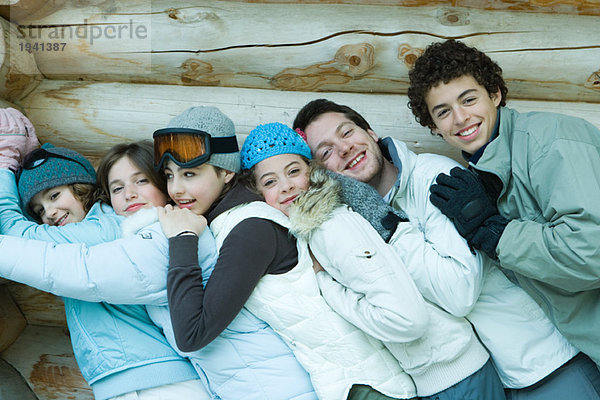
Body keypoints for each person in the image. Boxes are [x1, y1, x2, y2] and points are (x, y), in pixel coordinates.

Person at [0, 106, 317, 400]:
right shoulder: (171, 230)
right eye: (118, 188)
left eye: (142, 180)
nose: (131, 193)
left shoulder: (165, 237)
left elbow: (75, 270)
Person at [293, 99, 594, 398]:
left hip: (546, 362)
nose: (343, 149)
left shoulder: (435, 178)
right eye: (327, 151)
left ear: (370, 132)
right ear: (323, 173)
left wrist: (389, 226)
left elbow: (458, 293)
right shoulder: (354, 221)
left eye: (347, 133)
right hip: (498, 377)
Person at [156, 113, 415, 400]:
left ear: (226, 171)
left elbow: (192, 334)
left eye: (190, 174)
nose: (176, 189)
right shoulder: (248, 218)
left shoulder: (252, 229)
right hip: (351, 383)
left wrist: (181, 240)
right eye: (169, 175)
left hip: (367, 386)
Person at [238, 122, 503, 399]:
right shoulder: (314, 228)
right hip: (440, 374)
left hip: (455, 376)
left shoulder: (331, 226)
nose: (286, 186)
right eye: (270, 182)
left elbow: (407, 320)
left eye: (294, 171)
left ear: (313, 171)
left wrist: (327, 286)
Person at [407, 39, 600, 373]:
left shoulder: (550, 142)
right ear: (434, 127)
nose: (461, 118)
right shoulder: (483, 174)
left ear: (494, 94)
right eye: (443, 112)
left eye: (469, 99)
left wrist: (496, 233)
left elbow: (591, 253)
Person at [0, 112, 208, 400]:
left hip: (155, 381)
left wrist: (4, 165)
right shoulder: (88, 233)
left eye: (54, 196)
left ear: (82, 188)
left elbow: (14, 233)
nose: (48, 213)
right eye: (37, 210)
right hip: (130, 380)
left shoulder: (105, 226)